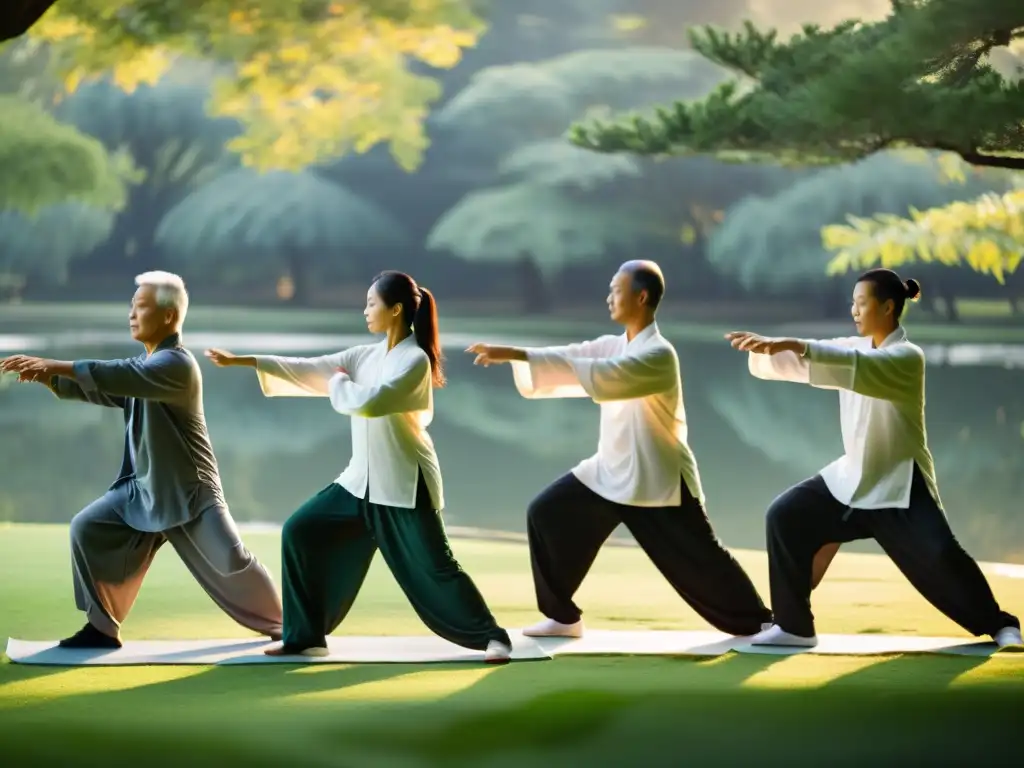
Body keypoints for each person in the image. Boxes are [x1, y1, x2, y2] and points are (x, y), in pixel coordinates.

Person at [204, 271, 513, 663]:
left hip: (403, 483)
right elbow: (310, 367)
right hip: (358, 483)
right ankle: (305, 636)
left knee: (437, 568)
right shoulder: (363, 355)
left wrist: (337, 384)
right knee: (300, 531)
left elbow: (371, 402)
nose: (364, 310)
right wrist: (244, 361)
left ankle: (493, 636)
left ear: (395, 309)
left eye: (371, 303)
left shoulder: (414, 360)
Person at [465, 260, 773, 639]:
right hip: (609, 472)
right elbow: (577, 355)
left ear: (641, 297)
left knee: (702, 561)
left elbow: (606, 375)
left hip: (656, 478)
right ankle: (563, 618)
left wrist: (520, 354)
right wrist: (518, 354)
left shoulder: (659, 354)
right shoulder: (617, 344)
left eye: (616, 290)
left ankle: (761, 623)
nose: (608, 297)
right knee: (546, 514)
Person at [726, 268, 1022, 649]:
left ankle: (1001, 625)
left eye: (861, 303)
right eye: (852, 302)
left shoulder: (906, 357)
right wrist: (773, 350)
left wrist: (795, 344)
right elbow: (820, 361)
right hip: (851, 478)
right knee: (784, 516)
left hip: (900, 484)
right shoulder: (855, 347)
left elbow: (855, 368)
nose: (854, 310)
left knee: (941, 558)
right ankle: (794, 626)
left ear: (887, 307)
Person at [0, 272, 283, 648]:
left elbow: (121, 375)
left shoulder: (177, 365)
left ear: (168, 316)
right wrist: (48, 379)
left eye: (141, 306)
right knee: (87, 527)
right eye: (131, 306)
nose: (131, 314)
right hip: (143, 490)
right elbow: (111, 390)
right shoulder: (147, 365)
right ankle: (102, 628)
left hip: (189, 492)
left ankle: (291, 626)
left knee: (233, 562)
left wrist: (56, 365)